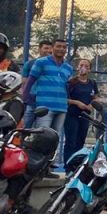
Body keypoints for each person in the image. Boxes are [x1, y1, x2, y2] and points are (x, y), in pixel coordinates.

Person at [24, 38, 73, 167]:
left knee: (55, 137)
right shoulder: (41, 62)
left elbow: (66, 86)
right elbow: (30, 80)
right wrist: (27, 97)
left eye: (64, 47)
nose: (61, 49)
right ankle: (35, 165)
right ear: (53, 48)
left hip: (61, 107)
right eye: (58, 46)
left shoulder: (68, 68)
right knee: (42, 136)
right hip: (45, 106)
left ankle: (48, 167)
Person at [64, 58, 101, 167]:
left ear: (90, 69)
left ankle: (77, 166)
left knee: (80, 141)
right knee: (71, 142)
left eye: (86, 66)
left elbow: (95, 97)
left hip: (85, 116)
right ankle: (68, 166)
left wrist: (91, 105)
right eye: (81, 65)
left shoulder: (92, 83)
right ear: (77, 67)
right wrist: (76, 103)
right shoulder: (71, 82)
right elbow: (65, 99)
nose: (83, 68)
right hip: (72, 115)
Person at [21, 39, 53, 127]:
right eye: (45, 48)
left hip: (47, 102)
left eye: (50, 49)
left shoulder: (54, 65)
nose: (48, 51)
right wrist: (25, 97)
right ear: (39, 49)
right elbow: (24, 82)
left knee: (42, 129)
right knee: (26, 127)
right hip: (31, 101)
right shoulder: (29, 64)